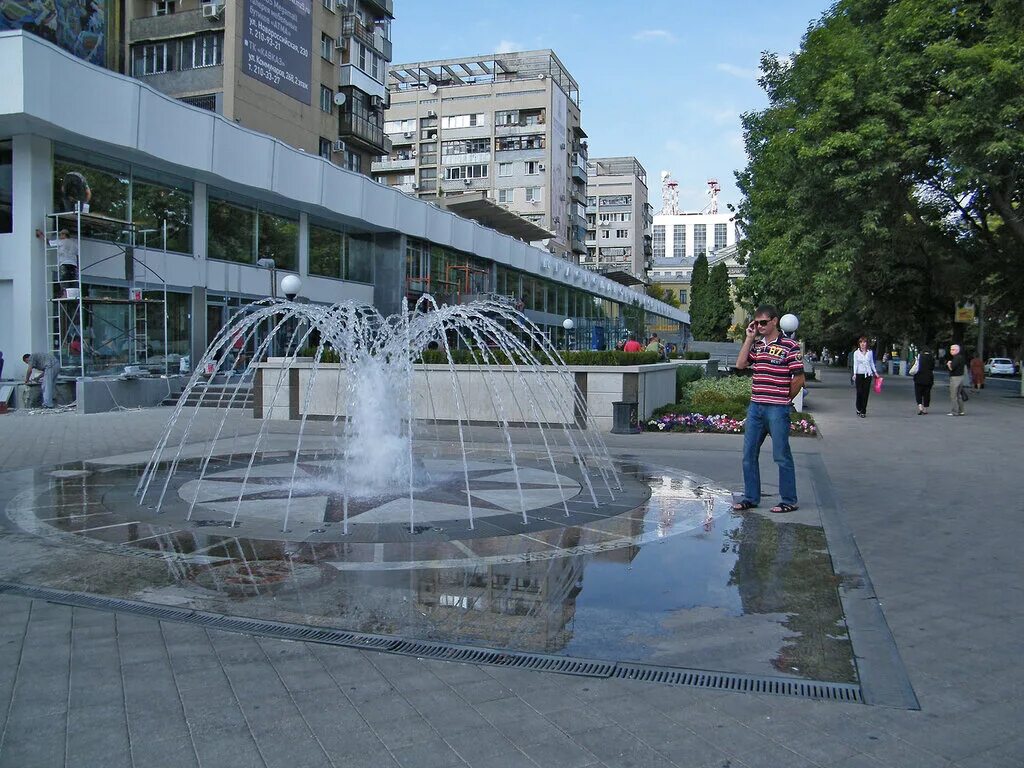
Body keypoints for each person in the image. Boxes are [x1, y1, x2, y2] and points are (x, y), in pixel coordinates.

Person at [731, 305, 805, 515]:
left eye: (763, 322)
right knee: (748, 455)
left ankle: (789, 500)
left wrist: (784, 399)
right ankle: (751, 497)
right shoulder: (757, 346)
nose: (759, 326)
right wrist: (748, 338)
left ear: (775, 321)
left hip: (777, 409)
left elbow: (799, 378)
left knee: (781, 455)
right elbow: (740, 364)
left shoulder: (789, 346)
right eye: (756, 323)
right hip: (756, 408)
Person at [851, 336, 878, 418]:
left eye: (864, 342)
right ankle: (858, 408)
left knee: (865, 393)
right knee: (859, 392)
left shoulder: (870, 352)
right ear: (859, 344)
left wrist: (875, 372)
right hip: (859, 374)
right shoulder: (856, 353)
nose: (863, 344)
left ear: (867, 344)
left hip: (868, 374)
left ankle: (863, 411)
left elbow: (872, 363)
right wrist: (854, 374)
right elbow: (855, 364)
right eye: (861, 342)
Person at [910, 348, 935, 415]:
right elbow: (932, 367)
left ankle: (920, 407)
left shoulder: (919, 357)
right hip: (929, 378)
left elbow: (913, 365)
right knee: (927, 394)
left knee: (918, 393)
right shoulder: (932, 358)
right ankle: (925, 409)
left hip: (919, 378)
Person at [946, 344, 966, 416]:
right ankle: (961, 411)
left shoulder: (956, 358)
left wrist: (948, 364)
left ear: (957, 350)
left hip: (955, 378)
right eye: (951, 349)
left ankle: (954, 411)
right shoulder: (961, 357)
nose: (951, 351)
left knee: (953, 395)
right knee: (959, 395)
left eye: (953, 349)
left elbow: (952, 368)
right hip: (961, 377)